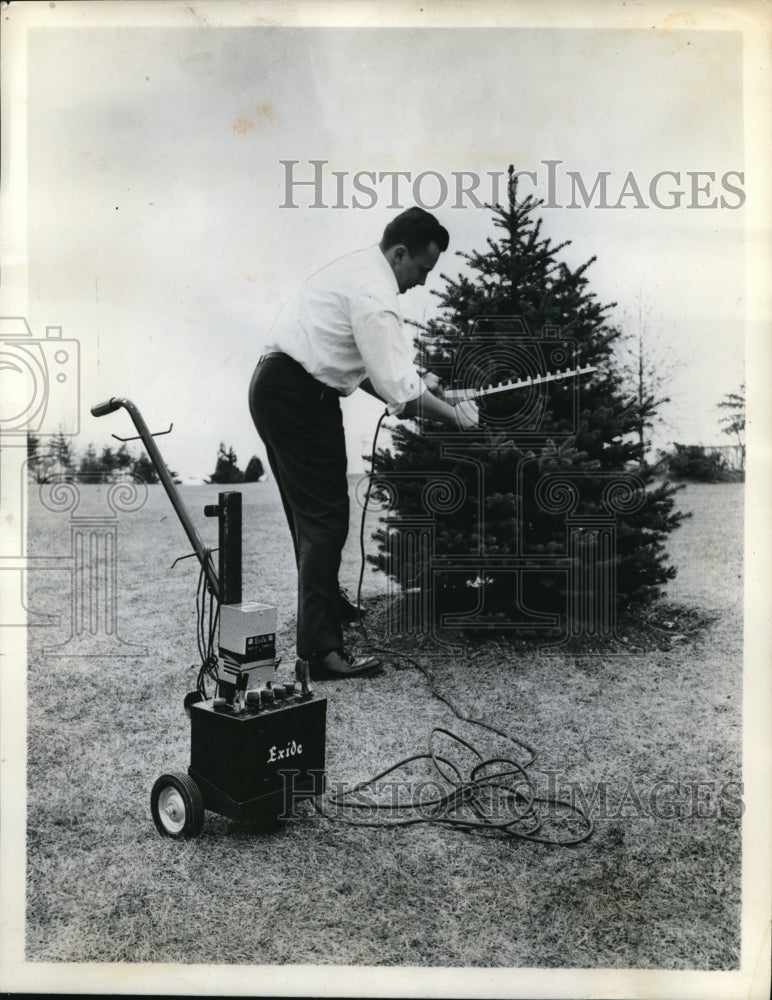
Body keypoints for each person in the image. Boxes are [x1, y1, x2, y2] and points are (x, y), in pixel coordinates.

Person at [249, 207, 478, 680]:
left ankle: (327, 608)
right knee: (325, 519)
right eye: (420, 269)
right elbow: (400, 390)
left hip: (281, 387)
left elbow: (378, 372)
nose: (421, 282)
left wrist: (430, 387)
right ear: (399, 254)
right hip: (297, 396)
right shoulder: (375, 292)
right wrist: (452, 416)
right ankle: (319, 652)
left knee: (312, 514)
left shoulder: (360, 270)